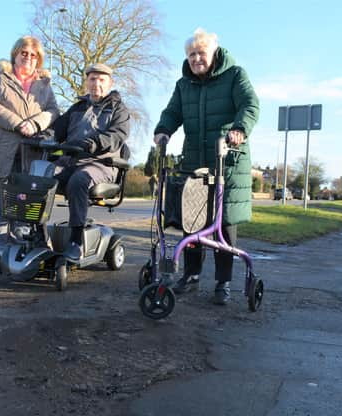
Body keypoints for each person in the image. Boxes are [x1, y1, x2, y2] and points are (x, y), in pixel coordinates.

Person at [153, 28, 259, 305]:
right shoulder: (183, 84)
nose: (196, 59)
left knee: (224, 223)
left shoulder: (235, 75)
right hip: (195, 159)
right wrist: (163, 129)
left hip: (228, 159)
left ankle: (222, 283)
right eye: (191, 55)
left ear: (213, 53)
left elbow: (250, 105)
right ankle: (191, 276)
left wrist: (239, 129)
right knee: (193, 217)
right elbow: (173, 111)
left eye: (201, 53)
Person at [0, 36, 59, 251]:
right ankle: (1, 248)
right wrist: (18, 123)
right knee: (0, 200)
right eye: (24, 53)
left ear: (38, 59)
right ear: (15, 54)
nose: (28, 58)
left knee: (24, 199)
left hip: (30, 152)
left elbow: (53, 111)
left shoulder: (44, 84)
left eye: (33, 55)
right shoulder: (1, 76)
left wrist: (36, 124)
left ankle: (21, 245)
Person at [52, 63, 131, 261]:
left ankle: (76, 241)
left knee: (80, 180)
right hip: (71, 160)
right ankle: (35, 234)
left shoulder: (118, 109)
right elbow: (56, 130)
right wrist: (42, 137)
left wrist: (93, 143)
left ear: (110, 83)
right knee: (41, 174)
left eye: (101, 80)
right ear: (87, 82)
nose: (96, 84)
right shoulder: (77, 107)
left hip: (101, 163)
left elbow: (117, 135)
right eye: (92, 79)